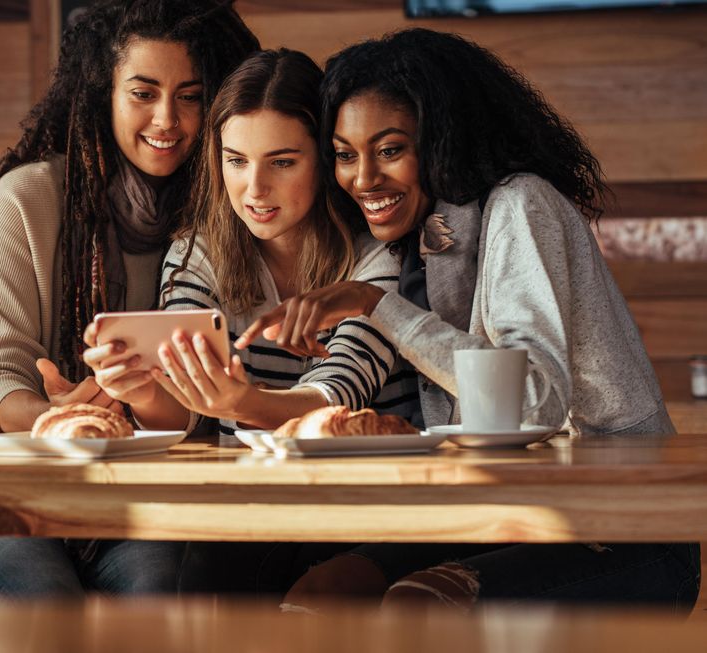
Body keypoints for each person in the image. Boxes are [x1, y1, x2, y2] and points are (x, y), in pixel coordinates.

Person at [237, 29, 700, 611]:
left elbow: (532, 401)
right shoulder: (420, 238)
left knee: (423, 603)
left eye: (389, 149)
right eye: (346, 155)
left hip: (622, 527)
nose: (363, 178)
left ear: (441, 140)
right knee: (326, 588)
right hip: (502, 516)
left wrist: (376, 305)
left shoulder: (521, 204)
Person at [0, 0, 260, 605]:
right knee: (44, 612)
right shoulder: (28, 200)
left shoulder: (232, 212)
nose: (167, 118)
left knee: (160, 599)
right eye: (143, 92)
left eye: (191, 95)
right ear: (102, 94)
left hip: (149, 501)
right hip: (15, 493)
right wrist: (59, 420)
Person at [83, 48, 413, 594]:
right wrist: (136, 387)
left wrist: (242, 403)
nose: (254, 189)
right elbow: (182, 407)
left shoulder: (378, 255)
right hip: (260, 509)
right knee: (204, 578)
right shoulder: (198, 252)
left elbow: (339, 393)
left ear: (326, 161)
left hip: (374, 503)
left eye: (282, 162)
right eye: (236, 160)